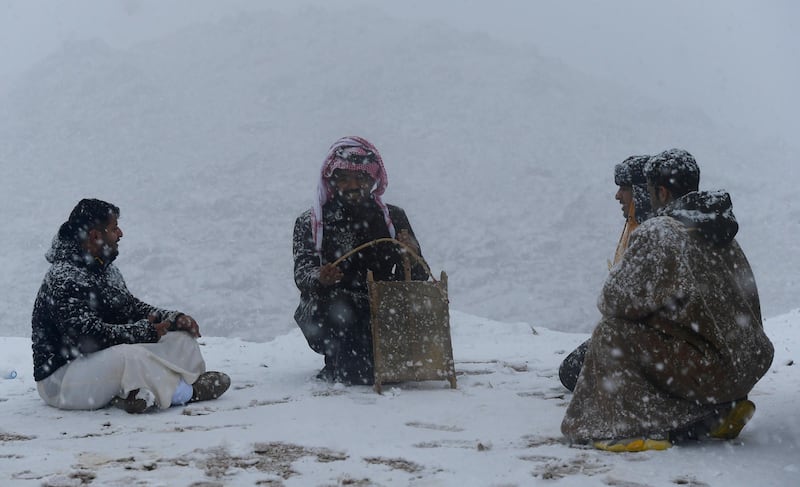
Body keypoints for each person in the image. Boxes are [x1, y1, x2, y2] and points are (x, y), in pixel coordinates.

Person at [561, 149, 774, 452]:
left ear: (660, 191)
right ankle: (720, 409)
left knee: (611, 333)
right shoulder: (720, 229)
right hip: (745, 366)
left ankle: (639, 426)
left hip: (709, 371)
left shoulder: (660, 231)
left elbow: (612, 301)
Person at [32, 199, 230, 413]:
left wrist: (172, 319)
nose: (120, 233)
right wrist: (143, 332)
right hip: (61, 381)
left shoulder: (104, 269)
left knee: (182, 339)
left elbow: (130, 308)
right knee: (129, 356)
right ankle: (186, 393)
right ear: (95, 236)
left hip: (97, 369)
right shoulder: (64, 277)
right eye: (114, 228)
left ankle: (134, 394)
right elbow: (86, 337)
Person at [293, 136, 427, 385]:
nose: (353, 185)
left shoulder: (393, 218)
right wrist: (320, 277)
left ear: (373, 180)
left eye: (361, 177)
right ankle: (343, 362)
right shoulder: (311, 223)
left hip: (384, 308)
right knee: (340, 309)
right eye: (344, 178)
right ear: (332, 181)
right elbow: (302, 274)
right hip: (332, 310)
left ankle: (372, 358)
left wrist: (412, 255)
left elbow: (417, 276)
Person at [558, 154, 653, 391]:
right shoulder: (635, 228)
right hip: (634, 334)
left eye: (624, 188)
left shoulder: (650, 235)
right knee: (573, 369)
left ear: (641, 192)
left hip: (644, 338)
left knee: (573, 372)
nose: (618, 195)